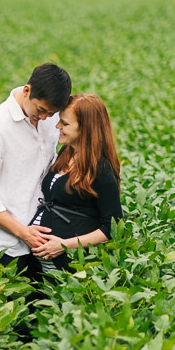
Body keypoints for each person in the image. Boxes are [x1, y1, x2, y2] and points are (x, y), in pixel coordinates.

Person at [0, 63, 71, 281]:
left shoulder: (49, 117)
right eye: (41, 110)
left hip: (42, 239)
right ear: (27, 91)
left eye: (51, 113)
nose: (45, 118)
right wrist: (23, 232)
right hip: (5, 246)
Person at [30, 93, 122, 272]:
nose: (58, 126)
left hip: (71, 268)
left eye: (65, 123)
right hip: (40, 266)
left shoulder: (100, 169)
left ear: (85, 128)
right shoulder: (67, 152)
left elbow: (112, 227)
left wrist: (64, 245)